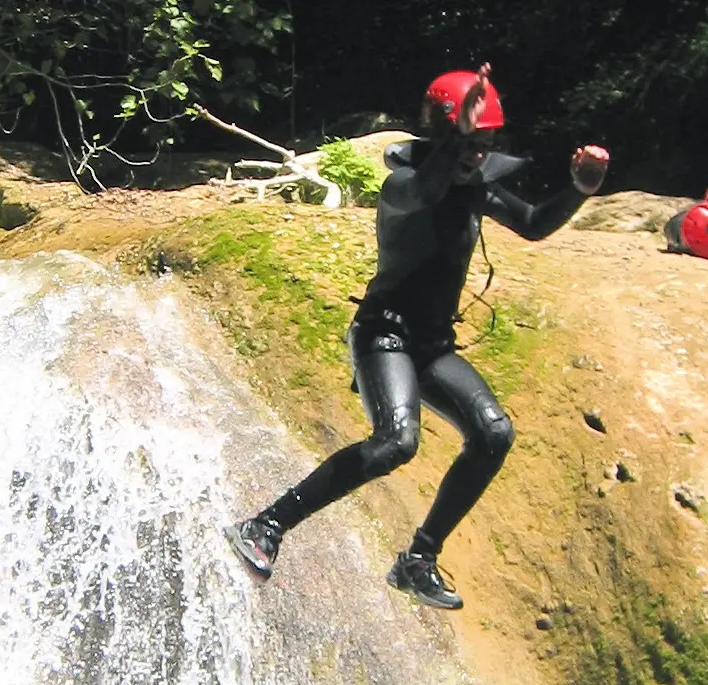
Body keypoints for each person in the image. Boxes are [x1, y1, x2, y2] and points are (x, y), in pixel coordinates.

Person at [224, 64, 610, 610]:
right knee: (396, 442)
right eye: (470, 141)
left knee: (493, 433)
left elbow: (534, 224)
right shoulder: (403, 186)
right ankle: (265, 526)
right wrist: (456, 136)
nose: (479, 153)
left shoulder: (476, 189)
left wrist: (578, 190)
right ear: (443, 136)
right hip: (383, 336)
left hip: (431, 347)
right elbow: (430, 185)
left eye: (487, 142)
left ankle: (418, 560)